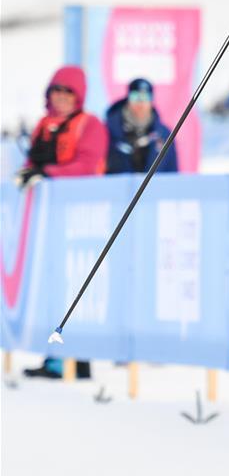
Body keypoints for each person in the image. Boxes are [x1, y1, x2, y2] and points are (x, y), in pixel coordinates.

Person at [15, 65, 107, 379]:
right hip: (45, 222)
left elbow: (87, 165)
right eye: (57, 90)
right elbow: (32, 163)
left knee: (76, 289)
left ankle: (77, 361)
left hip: (81, 221)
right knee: (49, 288)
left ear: (78, 95)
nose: (62, 97)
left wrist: (47, 174)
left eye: (68, 91)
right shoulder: (43, 125)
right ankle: (54, 356)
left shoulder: (90, 125)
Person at [106, 78, 178, 175]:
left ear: (152, 100)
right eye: (135, 96)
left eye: (145, 97)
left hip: (155, 189)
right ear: (128, 99)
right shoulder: (109, 130)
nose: (140, 102)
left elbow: (172, 173)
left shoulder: (164, 134)